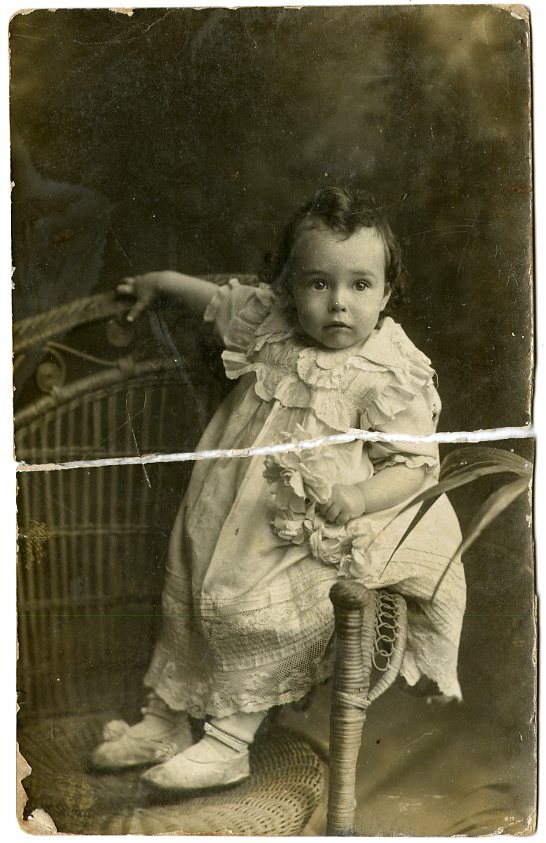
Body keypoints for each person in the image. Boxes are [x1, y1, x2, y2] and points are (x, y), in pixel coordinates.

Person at [90, 185, 466, 792]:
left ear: (387, 293)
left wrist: (359, 499)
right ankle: (164, 718)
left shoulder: (390, 367)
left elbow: (415, 465)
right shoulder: (271, 321)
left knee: (250, 612)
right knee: (191, 593)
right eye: (319, 284)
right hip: (221, 503)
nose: (339, 305)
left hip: (304, 522)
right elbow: (217, 299)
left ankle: (230, 740)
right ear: (291, 288)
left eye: (360, 286)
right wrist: (160, 280)